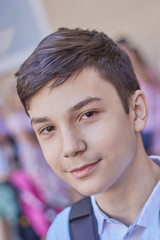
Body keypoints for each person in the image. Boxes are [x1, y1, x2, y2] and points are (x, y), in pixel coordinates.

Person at [15, 28, 160, 239]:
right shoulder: (62, 232)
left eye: (88, 114)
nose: (70, 147)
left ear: (137, 110)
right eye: (48, 129)